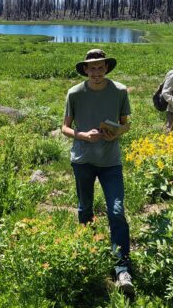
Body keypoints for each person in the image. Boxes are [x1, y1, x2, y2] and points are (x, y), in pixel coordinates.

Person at [61, 48, 134, 294]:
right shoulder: (75, 93)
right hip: (82, 159)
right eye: (91, 68)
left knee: (116, 210)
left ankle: (122, 268)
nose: (96, 72)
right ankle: (88, 254)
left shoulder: (120, 91)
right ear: (85, 69)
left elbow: (126, 124)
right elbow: (64, 127)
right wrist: (82, 135)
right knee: (85, 208)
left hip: (111, 161)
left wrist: (117, 132)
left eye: (100, 67)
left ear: (106, 68)